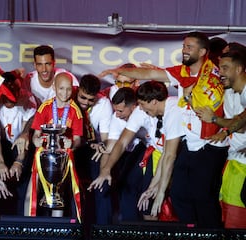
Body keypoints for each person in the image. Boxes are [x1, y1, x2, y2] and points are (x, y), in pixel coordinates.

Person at [100, 31, 228, 228]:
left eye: (189, 47)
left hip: (210, 144)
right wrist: (120, 71)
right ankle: (192, 233)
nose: (184, 50)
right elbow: (149, 74)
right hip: (190, 144)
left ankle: (211, 234)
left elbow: (169, 154)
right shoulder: (182, 73)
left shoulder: (213, 77)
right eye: (184, 46)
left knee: (202, 197)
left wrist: (225, 128)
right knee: (179, 195)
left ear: (203, 51)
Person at [89, 81, 183, 222]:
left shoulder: (173, 109)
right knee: (148, 203)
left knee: (178, 200)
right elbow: (120, 143)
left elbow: (170, 155)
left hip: (177, 153)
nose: (141, 109)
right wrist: (106, 170)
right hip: (158, 153)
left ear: (153, 102)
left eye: (142, 105)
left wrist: (160, 190)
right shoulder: (139, 112)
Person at [196, 51, 246, 228]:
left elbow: (241, 125)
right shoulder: (234, 93)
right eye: (219, 68)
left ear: (239, 69)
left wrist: (215, 120)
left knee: (237, 222)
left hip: (242, 167)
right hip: (235, 162)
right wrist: (224, 131)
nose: (220, 72)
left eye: (225, 68)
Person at [28, 72, 83, 221]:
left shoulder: (75, 111)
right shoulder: (44, 108)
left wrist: (73, 144)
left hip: (63, 162)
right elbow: (35, 135)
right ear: (54, 87)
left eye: (68, 89)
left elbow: (78, 139)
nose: (65, 93)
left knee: (59, 194)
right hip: (43, 160)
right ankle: (32, 226)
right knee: (34, 192)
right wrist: (36, 141)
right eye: (61, 88)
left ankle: (56, 226)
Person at [0, 71, 37, 216]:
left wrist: (19, 162)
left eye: (14, 94)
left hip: (22, 145)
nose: (10, 100)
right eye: (6, 96)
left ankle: (22, 222)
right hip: (1, 145)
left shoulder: (27, 99)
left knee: (22, 181)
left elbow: (26, 135)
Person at [92, 87, 147, 222]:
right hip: (130, 151)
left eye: (120, 111)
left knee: (133, 186)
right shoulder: (117, 118)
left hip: (151, 150)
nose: (116, 114)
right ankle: (127, 227)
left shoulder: (145, 113)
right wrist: (104, 171)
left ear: (134, 107)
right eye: (115, 110)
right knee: (125, 186)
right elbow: (114, 145)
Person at [72, 74, 113, 225]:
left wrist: (101, 145)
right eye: (83, 98)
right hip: (73, 145)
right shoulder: (69, 96)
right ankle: (73, 227)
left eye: (91, 100)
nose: (86, 103)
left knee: (102, 182)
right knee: (73, 185)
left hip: (94, 146)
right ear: (79, 90)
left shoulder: (103, 103)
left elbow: (106, 138)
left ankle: (103, 229)